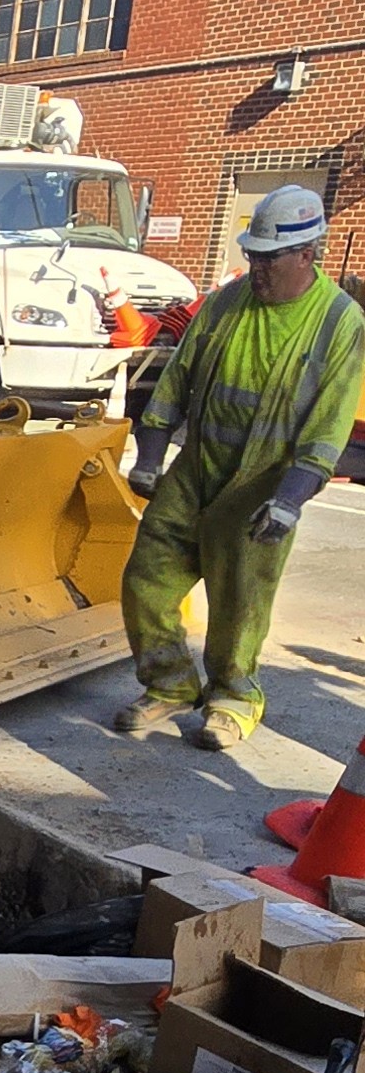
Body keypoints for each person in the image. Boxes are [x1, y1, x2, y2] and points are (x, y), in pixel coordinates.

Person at [115, 183, 365, 750]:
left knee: (240, 601)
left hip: (264, 483)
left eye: (269, 258)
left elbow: (328, 429)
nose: (257, 268)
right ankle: (171, 686)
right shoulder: (228, 303)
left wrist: (289, 499)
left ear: (307, 254)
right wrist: (151, 459)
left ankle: (234, 697)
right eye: (252, 255)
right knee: (147, 576)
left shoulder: (337, 322)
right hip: (197, 466)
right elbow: (175, 382)